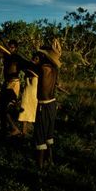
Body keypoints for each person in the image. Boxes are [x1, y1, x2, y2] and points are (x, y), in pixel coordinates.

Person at [34, 39, 62, 169]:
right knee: (49, 134)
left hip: (44, 105)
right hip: (52, 104)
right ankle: (50, 160)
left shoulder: (43, 68)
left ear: (44, 56)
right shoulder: (54, 69)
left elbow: (27, 65)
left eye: (40, 54)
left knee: (40, 135)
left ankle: (39, 168)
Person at [0, 40, 30, 137]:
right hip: (6, 83)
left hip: (14, 83)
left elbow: (26, 66)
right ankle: (4, 130)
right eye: (9, 47)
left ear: (15, 48)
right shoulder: (6, 56)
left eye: (12, 47)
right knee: (1, 107)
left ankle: (14, 128)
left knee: (7, 108)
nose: (10, 49)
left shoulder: (17, 58)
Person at [18, 53, 40, 137]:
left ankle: (36, 132)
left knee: (34, 112)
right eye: (34, 58)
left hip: (35, 94)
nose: (35, 60)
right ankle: (23, 131)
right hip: (27, 92)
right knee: (24, 110)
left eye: (37, 59)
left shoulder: (39, 70)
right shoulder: (28, 69)